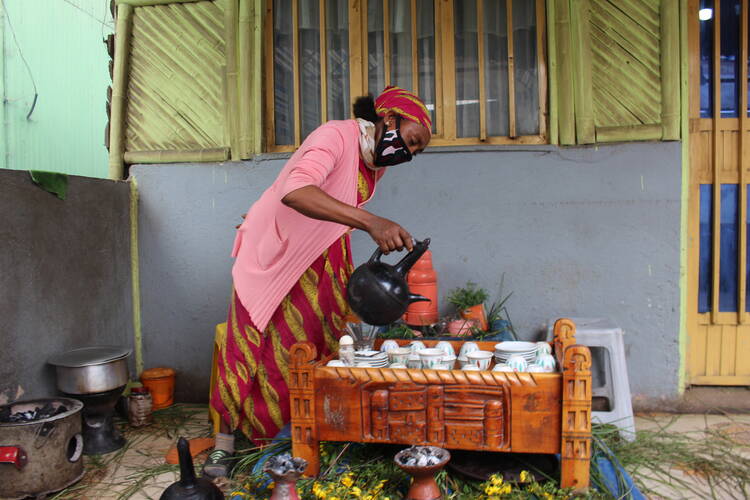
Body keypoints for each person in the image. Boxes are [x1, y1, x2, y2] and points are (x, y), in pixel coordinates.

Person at [204, 86, 432, 478]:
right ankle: (224, 446)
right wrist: (372, 222)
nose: (408, 154)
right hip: (275, 257)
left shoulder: (371, 165)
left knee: (313, 348)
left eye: (416, 152)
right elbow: (295, 189)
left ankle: (291, 435)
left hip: (321, 259)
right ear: (388, 119)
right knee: (250, 349)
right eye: (410, 142)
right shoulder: (336, 135)